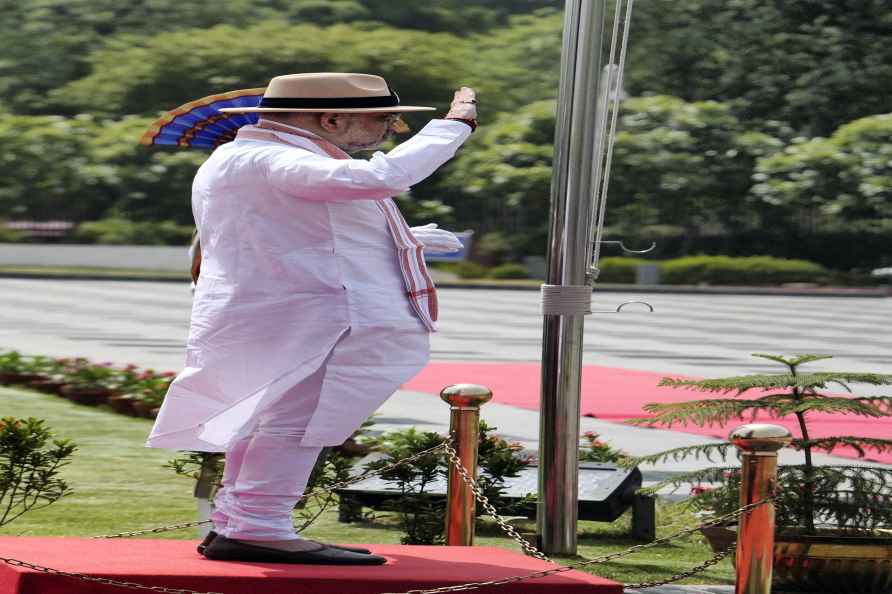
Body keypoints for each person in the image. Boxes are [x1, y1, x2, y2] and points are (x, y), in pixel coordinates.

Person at [146, 72, 477, 565]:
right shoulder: (272, 157)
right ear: (332, 118)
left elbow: (306, 231)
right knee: (297, 423)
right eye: (382, 119)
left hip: (292, 313)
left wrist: (410, 239)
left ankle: (241, 524)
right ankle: (259, 526)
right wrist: (453, 128)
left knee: (271, 420)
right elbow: (377, 179)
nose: (390, 129)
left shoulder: (251, 156)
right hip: (315, 318)